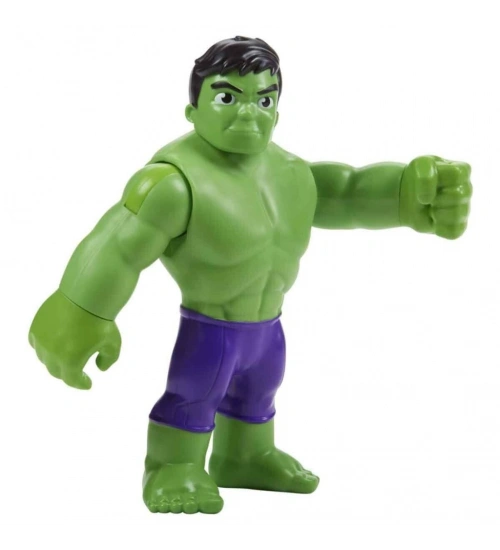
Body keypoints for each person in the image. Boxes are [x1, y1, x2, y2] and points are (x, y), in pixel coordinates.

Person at [29, 36, 472, 514]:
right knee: (193, 395)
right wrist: (78, 311)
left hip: (268, 331)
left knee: (259, 392)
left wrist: (411, 193)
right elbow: (117, 247)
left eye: (263, 100)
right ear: (192, 110)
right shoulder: (173, 183)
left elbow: (348, 192)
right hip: (210, 331)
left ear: (277, 111)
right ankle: (172, 466)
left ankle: (246, 456)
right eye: (227, 97)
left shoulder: (291, 174)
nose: (249, 114)